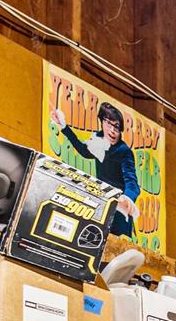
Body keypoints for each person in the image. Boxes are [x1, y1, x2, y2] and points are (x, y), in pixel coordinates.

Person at [50, 101, 141, 236]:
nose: (112, 131)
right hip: (103, 204)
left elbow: (131, 181)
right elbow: (83, 151)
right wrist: (64, 126)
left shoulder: (124, 151)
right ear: (102, 122)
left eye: (116, 127)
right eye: (109, 124)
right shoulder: (98, 141)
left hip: (119, 208)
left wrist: (128, 197)